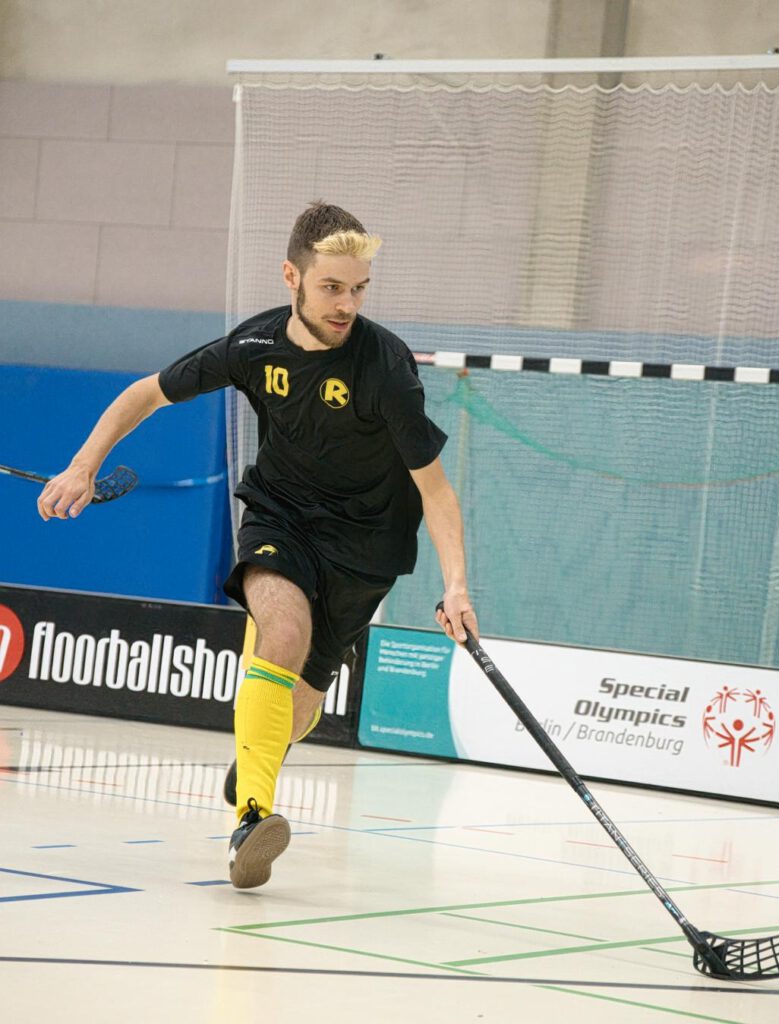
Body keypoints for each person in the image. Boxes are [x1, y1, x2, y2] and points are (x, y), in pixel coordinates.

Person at [36, 201, 479, 890]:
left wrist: (456, 586)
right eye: (332, 286)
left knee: (299, 708)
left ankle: (259, 749)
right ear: (292, 278)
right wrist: (83, 464)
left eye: (359, 288)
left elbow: (437, 492)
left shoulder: (385, 366)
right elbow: (146, 393)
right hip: (281, 516)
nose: (347, 304)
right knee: (281, 629)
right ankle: (253, 817)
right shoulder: (253, 346)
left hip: (366, 548)